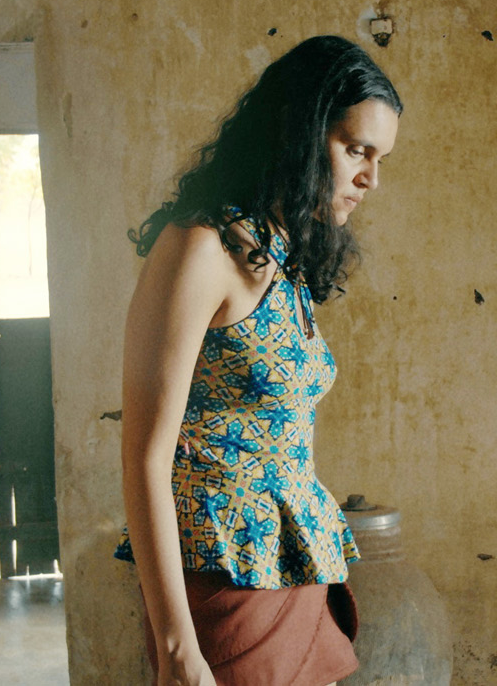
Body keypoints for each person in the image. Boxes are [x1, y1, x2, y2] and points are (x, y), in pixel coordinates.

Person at [115, 35, 401, 686]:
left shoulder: (280, 256)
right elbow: (145, 455)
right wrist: (176, 648)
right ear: (298, 133)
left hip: (296, 565)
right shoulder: (200, 247)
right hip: (222, 580)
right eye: (356, 148)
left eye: (380, 158)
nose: (370, 177)